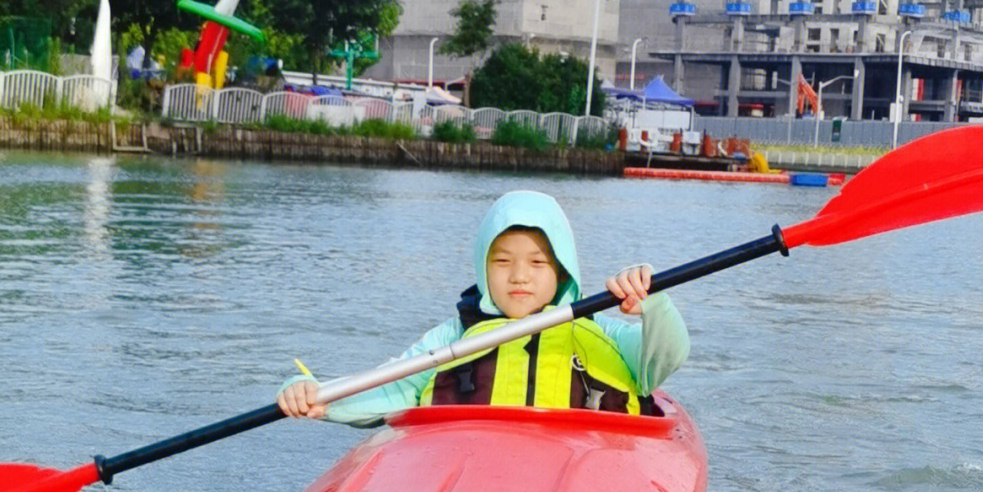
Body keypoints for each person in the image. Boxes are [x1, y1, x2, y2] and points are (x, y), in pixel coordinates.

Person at [277, 189, 689, 425]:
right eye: (502, 262)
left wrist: (655, 304)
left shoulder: (605, 334)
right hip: (471, 482)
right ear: (483, 267)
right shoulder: (452, 338)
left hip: (577, 480)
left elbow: (665, 357)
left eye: (537, 262)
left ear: (561, 270)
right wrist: (320, 397)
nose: (519, 277)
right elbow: (391, 387)